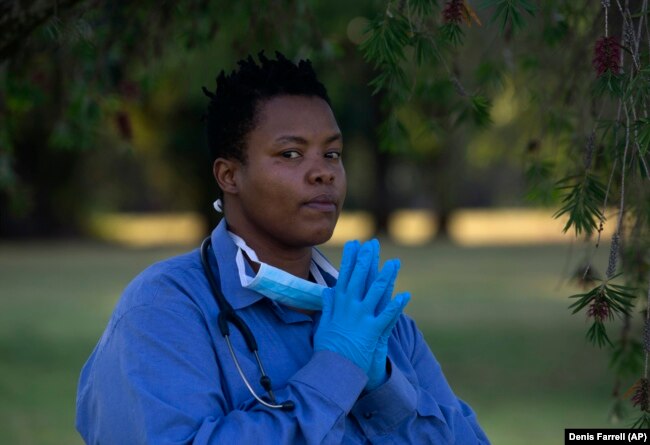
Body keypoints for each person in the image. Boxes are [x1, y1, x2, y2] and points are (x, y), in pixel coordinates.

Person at [76, 51, 490, 444]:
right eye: (290, 153)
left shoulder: (374, 318)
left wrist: (383, 386)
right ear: (229, 175)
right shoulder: (164, 309)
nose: (323, 173)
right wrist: (337, 368)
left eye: (332, 153)